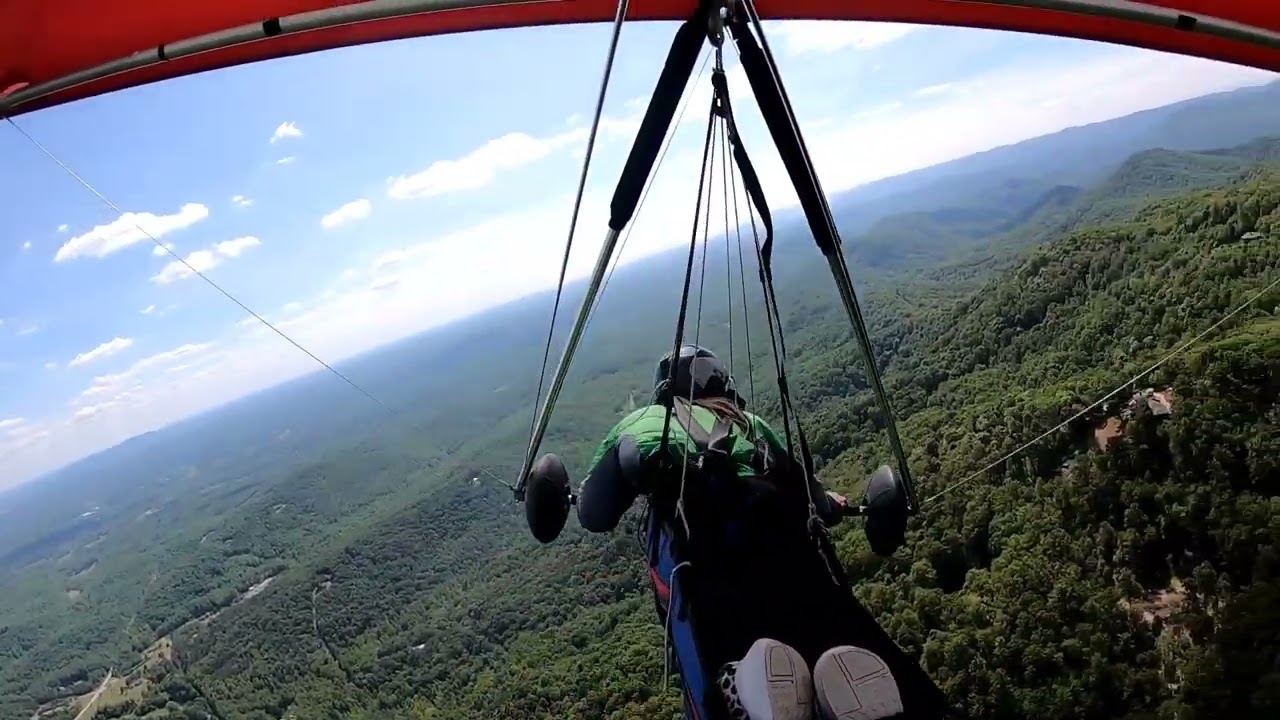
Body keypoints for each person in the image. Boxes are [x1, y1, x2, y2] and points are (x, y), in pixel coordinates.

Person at [573, 344, 906, 720]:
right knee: (825, 633)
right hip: (800, 575)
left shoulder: (645, 422)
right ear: (724, 384)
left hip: (711, 585)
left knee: (719, 678)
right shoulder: (750, 425)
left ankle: (746, 689)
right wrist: (833, 503)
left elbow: (594, 513)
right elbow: (814, 502)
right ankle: (840, 680)